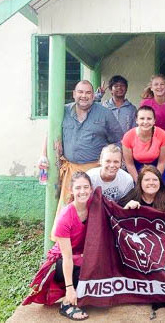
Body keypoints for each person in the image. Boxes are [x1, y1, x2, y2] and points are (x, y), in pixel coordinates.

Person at [40, 80, 123, 229]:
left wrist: (111, 164)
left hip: (96, 172)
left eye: (88, 92)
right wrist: (43, 154)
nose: (84, 96)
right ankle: (66, 245)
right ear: (74, 94)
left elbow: (118, 140)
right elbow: (50, 132)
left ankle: (93, 246)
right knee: (68, 212)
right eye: (80, 92)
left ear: (93, 95)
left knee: (94, 213)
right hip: (71, 172)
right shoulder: (63, 111)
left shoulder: (105, 113)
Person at [22, 172, 95, 320]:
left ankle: (83, 294)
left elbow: (112, 211)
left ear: (91, 189)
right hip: (64, 261)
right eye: (78, 188)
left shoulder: (93, 205)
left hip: (82, 255)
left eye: (86, 187)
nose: (82, 191)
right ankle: (67, 304)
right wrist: (69, 289)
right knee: (80, 266)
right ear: (71, 190)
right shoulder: (65, 216)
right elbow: (67, 257)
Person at [140, 75, 165, 189]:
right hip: (152, 142)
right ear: (151, 88)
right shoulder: (145, 104)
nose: (159, 87)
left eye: (162, 84)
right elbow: (143, 124)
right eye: (156, 84)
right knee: (153, 172)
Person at [122, 106, 165, 183]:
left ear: (154, 120)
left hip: (157, 165)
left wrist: (155, 179)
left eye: (149, 119)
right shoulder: (128, 136)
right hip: (136, 166)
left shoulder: (162, 134)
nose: (145, 122)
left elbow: (162, 162)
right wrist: (139, 182)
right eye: (142, 118)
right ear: (136, 120)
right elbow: (129, 164)